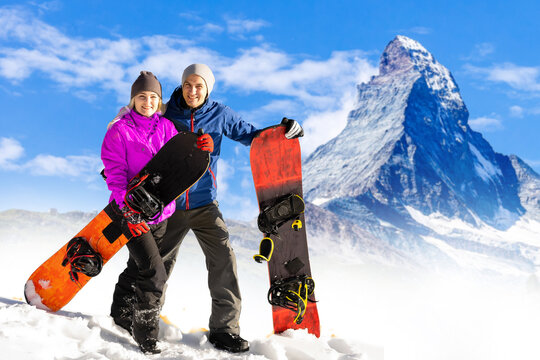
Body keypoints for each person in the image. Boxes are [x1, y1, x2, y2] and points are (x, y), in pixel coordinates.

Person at [110, 64, 304, 353]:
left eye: (199, 86)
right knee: (154, 264)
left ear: (208, 89)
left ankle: (225, 331)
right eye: (188, 84)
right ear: (182, 85)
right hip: (169, 205)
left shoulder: (220, 114)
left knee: (223, 260)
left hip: (204, 204)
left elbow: (252, 136)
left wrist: (284, 131)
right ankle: (132, 318)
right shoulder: (167, 111)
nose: (192, 91)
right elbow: (139, 123)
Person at [101, 71, 210, 354]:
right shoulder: (119, 130)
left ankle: (120, 313)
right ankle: (146, 333)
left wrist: (201, 148)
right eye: (141, 97)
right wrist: (129, 210)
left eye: (153, 97)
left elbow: (180, 165)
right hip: (130, 213)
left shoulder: (166, 128)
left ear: (159, 101)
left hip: (160, 214)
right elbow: (115, 175)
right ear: (133, 99)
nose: (147, 102)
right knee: (154, 271)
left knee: (138, 266)